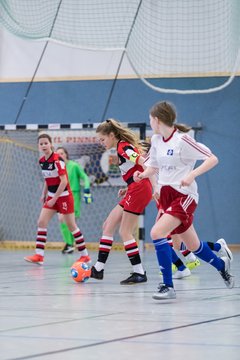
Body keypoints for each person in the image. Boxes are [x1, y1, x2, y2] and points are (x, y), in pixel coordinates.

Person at [134, 101, 234, 300]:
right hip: (166, 196)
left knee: (156, 232)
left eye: (150, 119)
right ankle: (221, 265)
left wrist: (192, 175)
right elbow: (153, 166)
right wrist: (143, 175)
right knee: (194, 247)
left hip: (184, 196)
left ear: (157, 119)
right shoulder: (155, 140)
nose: (150, 122)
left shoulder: (183, 141)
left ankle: (168, 286)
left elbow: (212, 159)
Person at [90, 118, 153, 284]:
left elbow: (143, 162)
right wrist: (129, 186)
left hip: (140, 189)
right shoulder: (121, 147)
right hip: (135, 188)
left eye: (102, 139)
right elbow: (136, 167)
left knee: (125, 232)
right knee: (108, 225)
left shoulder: (123, 147)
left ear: (112, 135)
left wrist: (147, 180)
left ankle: (139, 272)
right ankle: (98, 268)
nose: (101, 143)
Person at [24, 134, 90, 265]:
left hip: (64, 197)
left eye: (45, 143)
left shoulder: (57, 159)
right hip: (52, 196)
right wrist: (44, 194)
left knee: (71, 226)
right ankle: (39, 255)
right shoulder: (42, 161)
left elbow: (64, 182)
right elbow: (47, 180)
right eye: (41, 144)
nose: (43, 146)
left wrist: (54, 198)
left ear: (50, 144)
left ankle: (85, 255)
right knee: (41, 222)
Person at [56, 147, 92, 254]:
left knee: (71, 222)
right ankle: (69, 244)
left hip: (73, 196)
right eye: (57, 154)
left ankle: (73, 245)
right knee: (62, 220)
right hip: (61, 196)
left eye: (62, 153)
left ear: (66, 154)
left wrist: (87, 189)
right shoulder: (57, 168)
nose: (60, 155)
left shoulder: (74, 166)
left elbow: (85, 177)